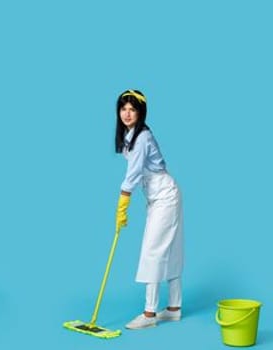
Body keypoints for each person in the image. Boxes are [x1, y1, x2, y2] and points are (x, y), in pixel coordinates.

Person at [109, 90, 184, 330]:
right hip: (159, 196)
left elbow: (133, 175)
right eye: (123, 109)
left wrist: (122, 204)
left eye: (132, 109)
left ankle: (149, 314)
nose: (127, 113)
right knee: (169, 249)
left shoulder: (142, 138)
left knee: (153, 250)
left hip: (165, 195)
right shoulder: (132, 135)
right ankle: (173, 309)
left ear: (141, 112)